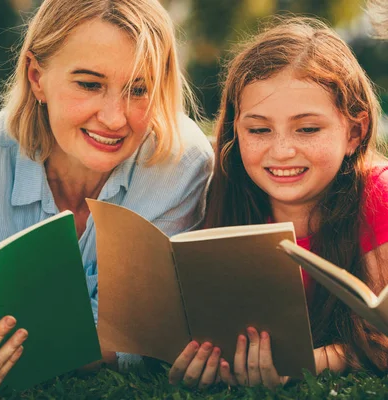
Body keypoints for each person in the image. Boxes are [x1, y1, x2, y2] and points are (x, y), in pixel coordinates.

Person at [0, 0, 213, 396]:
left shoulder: (181, 164)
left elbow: (150, 336)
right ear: (36, 77)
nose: (115, 118)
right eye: (89, 84)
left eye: (139, 89)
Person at [168, 17, 388, 389]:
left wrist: (303, 364)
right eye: (258, 130)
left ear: (355, 132)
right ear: (235, 131)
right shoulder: (218, 196)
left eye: (307, 128)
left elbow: (382, 339)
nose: (282, 151)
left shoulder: (377, 196)